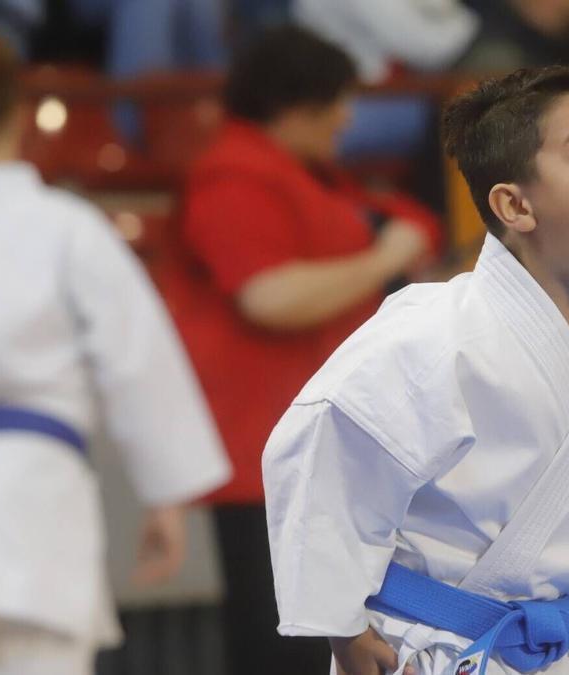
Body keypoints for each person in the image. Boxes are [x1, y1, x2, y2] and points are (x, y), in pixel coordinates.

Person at [262, 65, 569, 674]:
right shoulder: (436, 333)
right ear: (515, 205)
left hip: (554, 651)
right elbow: (321, 452)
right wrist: (343, 626)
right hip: (426, 647)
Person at [0, 31, 230, 675]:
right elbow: (135, 359)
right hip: (36, 508)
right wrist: (165, 495)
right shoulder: (69, 228)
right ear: (19, 115)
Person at [177, 24, 443, 675]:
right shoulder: (233, 177)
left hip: (325, 449)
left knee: (336, 638)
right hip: (270, 454)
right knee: (287, 646)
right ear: (294, 106)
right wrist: (383, 258)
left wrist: (398, 241)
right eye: (336, 102)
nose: (347, 118)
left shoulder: (306, 173)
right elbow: (269, 295)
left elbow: (407, 223)